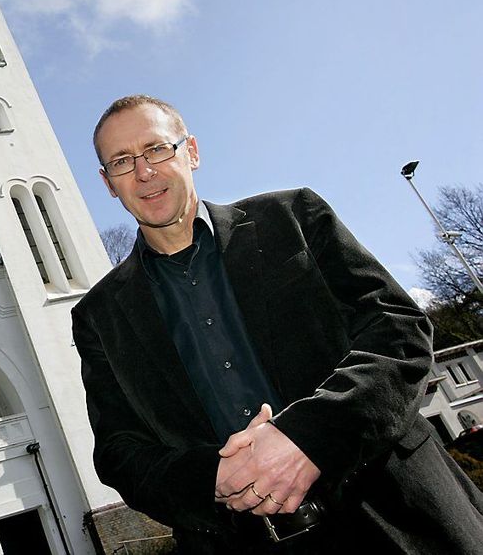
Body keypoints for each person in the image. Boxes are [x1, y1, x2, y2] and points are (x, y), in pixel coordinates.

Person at [73, 94, 483, 553]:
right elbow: (119, 451)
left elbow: (398, 331)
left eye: (156, 149)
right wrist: (212, 477)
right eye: (122, 161)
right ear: (108, 183)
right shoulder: (98, 316)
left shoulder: (294, 217)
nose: (143, 171)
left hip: (399, 514)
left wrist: (309, 438)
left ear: (191, 150)